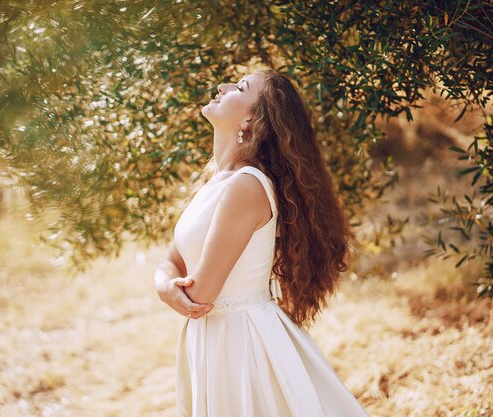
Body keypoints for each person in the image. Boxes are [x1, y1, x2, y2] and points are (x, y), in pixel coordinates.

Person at [153, 68, 371, 417]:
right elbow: (171, 263)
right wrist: (163, 285)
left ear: (253, 120)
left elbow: (201, 294)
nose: (222, 87)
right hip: (212, 336)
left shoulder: (246, 186)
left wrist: (169, 289)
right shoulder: (215, 182)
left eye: (239, 87)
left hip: (240, 344)